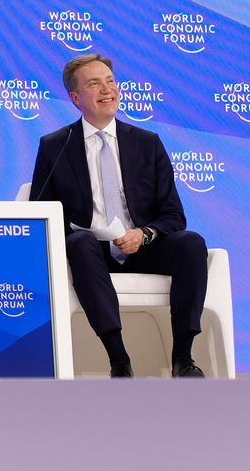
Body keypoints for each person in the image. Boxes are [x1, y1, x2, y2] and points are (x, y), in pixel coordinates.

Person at [31, 52, 209, 378]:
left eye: (110, 81)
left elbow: (173, 214)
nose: (107, 89)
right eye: (94, 83)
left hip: (141, 246)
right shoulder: (55, 146)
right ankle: (119, 361)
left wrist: (144, 234)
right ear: (75, 98)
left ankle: (183, 358)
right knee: (82, 243)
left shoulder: (147, 143)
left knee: (191, 243)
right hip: (90, 252)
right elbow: (40, 213)